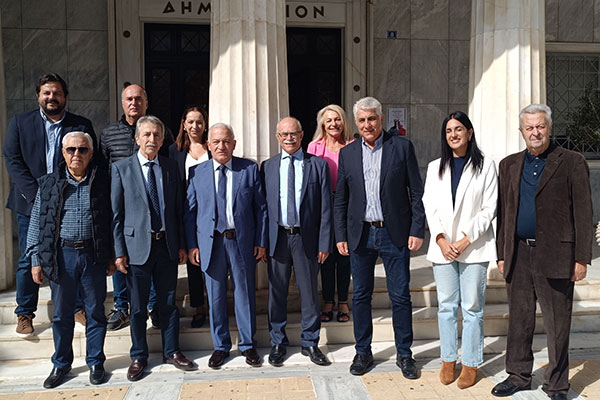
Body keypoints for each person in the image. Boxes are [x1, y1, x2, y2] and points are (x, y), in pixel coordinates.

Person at [492, 104, 593, 400]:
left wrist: (581, 258)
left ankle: (558, 384)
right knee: (519, 320)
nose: (535, 132)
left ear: (549, 128)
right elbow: (503, 213)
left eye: (540, 126)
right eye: (529, 127)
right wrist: (502, 253)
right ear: (521, 131)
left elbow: (584, 212)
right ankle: (518, 375)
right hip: (519, 253)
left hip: (557, 254)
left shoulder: (572, 162)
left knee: (557, 323)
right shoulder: (509, 165)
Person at [334, 96, 425, 377]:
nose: (367, 125)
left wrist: (417, 229)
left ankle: (405, 354)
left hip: (394, 233)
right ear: (356, 123)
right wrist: (340, 235)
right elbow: (341, 199)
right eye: (361, 120)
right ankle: (363, 352)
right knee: (361, 296)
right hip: (360, 234)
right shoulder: (348, 153)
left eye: (372, 119)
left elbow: (416, 192)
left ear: (381, 119)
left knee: (400, 296)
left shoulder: (402, 147)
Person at [3, 73, 96, 336]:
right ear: (38, 96)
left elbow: (90, 161)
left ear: (66, 97)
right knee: (28, 257)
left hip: (69, 203)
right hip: (29, 202)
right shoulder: (21, 123)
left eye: (56, 93)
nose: (51, 97)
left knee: (69, 258)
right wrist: (38, 196)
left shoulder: (81, 124)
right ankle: (24, 312)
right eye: (46, 93)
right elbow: (12, 159)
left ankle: (75, 307)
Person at [26, 131, 114, 388]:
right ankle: (61, 363)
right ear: (63, 153)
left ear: (91, 153)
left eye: (83, 149)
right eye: (71, 150)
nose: (77, 154)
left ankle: (96, 361)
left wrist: (110, 255)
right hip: (61, 256)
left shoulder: (102, 181)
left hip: (92, 255)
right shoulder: (49, 183)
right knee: (62, 314)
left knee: (95, 312)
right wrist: (35, 259)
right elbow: (37, 222)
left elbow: (111, 220)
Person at [111, 115, 194, 381]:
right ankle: (139, 355)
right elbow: (116, 215)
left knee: (168, 304)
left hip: (166, 246)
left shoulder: (170, 167)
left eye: (156, 135)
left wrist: (182, 245)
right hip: (136, 248)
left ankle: (172, 351)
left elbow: (179, 210)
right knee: (137, 307)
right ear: (137, 138)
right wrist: (119, 251)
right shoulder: (121, 168)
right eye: (146, 134)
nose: (152, 139)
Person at [422, 111, 498, 389]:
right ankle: (448, 359)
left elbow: (489, 208)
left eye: (458, 129)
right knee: (446, 306)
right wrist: (441, 239)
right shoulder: (435, 167)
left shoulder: (486, 166)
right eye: (448, 131)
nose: (453, 135)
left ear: (470, 132)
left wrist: (466, 240)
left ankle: (471, 362)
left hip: (473, 247)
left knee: (472, 307)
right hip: (443, 248)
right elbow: (429, 204)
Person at [184, 123, 268, 369]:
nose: (221, 146)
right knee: (216, 296)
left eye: (226, 141)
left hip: (241, 242)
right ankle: (220, 346)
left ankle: (247, 344)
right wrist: (192, 245)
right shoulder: (197, 172)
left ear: (234, 144)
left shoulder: (249, 169)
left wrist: (261, 241)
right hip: (211, 243)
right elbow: (190, 212)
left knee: (244, 293)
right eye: (216, 142)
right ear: (208, 145)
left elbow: (261, 209)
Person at [101, 84, 174, 331]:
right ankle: (121, 307)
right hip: (124, 207)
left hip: (154, 211)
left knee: (151, 263)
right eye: (129, 99)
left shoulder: (161, 131)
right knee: (123, 260)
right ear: (123, 103)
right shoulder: (109, 134)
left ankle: (154, 307)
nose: (134, 103)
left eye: (139, 99)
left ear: (146, 102)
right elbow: (102, 168)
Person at [261, 117, 332, 367]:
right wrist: (262, 242)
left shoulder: (318, 165)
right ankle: (278, 342)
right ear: (277, 137)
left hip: (306, 239)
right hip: (278, 238)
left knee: (309, 293)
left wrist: (324, 243)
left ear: (302, 136)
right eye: (284, 134)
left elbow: (325, 207)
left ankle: (310, 342)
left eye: (294, 134)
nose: (289, 138)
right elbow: (262, 209)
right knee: (277, 293)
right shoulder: (267, 167)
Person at [307, 105, 352, 323]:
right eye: (329, 120)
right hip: (322, 205)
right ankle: (327, 300)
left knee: (344, 253)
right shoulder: (314, 147)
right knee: (325, 254)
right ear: (322, 124)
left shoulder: (353, 146)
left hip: (347, 205)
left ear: (343, 122)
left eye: (337, 119)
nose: (333, 124)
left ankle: (342, 300)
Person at [169, 105, 210, 328]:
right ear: (184, 125)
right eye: (191, 122)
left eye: (199, 122)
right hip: (186, 212)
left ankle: (215, 304)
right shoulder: (174, 151)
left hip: (211, 211)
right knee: (194, 261)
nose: (195, 126)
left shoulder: (212, 148)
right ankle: (198, 307)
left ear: (205, 125)